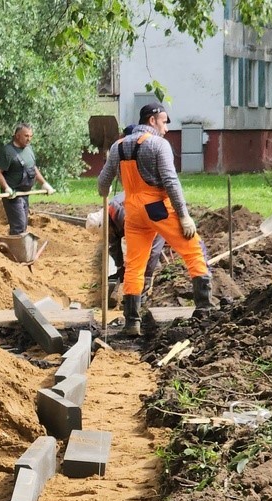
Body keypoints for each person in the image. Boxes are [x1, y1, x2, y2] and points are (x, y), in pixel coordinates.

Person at [97, 102, 212, 336]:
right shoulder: (159, 144)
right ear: (152, 120)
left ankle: (132, 322)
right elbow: (171, 181)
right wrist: (184, 215)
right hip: (158, 208)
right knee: (194, 250)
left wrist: (105, 193)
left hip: (133, 212)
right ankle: (204, 310)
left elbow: (102, 184)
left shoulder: (117, 146)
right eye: (164, 121)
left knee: (134, 265)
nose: (167, 128)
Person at [0, 123, 55, 236]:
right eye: (26, 136)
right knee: (19, 226)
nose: (29, 139)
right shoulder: (7, 151)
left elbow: (33, 168)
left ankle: (17, 247)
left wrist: (44, 184)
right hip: (13, 195)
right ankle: (17, 251)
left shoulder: (29, 149)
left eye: (31, 136)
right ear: (17, 136)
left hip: (25, 193)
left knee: (23, 224)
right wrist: (7, 188)